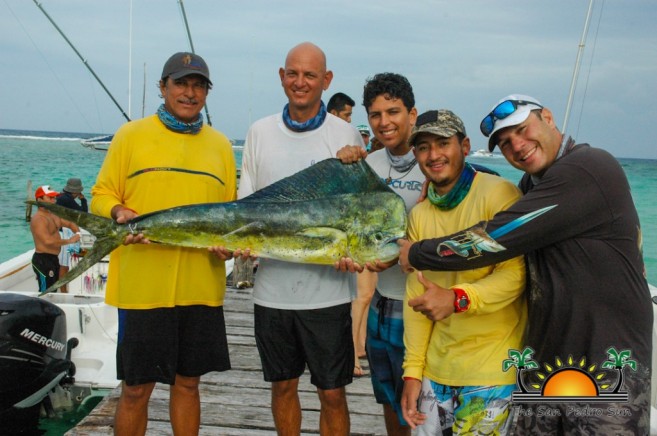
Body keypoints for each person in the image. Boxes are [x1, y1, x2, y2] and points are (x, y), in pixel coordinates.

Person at [398, 95, 652, 434]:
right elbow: (507, 209)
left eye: (521, 129)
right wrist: (451, 182)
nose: (516, 146)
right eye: (504, 143)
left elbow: (498, 236)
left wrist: (416, 254)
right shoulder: (531, 185)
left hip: (606, 362)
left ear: (547, 117)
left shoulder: (590, 166)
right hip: (546, 360)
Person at [90, 52, 237, 436]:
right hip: (143, 287)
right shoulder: (130, 135)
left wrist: (230, 245)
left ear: (206, 92)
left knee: (189, 383)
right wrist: (118, 210)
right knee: (136, 389)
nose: (190, 93)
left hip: (200, 287)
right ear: (163, 86)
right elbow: (101, 194)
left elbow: (229, 218)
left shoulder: (221, 146)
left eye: (198, 85)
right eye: (181, 83)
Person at [238, 42, 363, 435]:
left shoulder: (346, 134)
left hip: (328, 295)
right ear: (281, 76)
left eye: (310, 75)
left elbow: (360, 213)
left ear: (326, 80)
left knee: (332, 394)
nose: (300, 82)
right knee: (282, 386)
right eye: (293, 73)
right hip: (271, 292)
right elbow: (246, 208)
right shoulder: (259, 132)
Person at [398, 109, 526, 435]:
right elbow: (417, 297)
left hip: (491, 373)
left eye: (443, 143)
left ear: (465, 146)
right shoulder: (420, 214)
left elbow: (515, 276)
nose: (434, 155)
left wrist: (457, 299)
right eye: (423, 147)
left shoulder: (500, 194)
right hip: (436, 371)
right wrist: (412, 372)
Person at [335, 72, 422, 436]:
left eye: (394, 111)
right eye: (375, 114)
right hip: (382, 303)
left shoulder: (433, 161)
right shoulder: (368, 166)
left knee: (425, 406)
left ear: (412, 114)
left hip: (422, 307)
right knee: (390, 401)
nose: (384, 122)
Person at [30, 185, 80, 292]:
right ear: (39, 200)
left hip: (53, 259)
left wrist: (78, 233)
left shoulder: (53, 215)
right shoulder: (38, 219)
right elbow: (47, 241)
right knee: (46, 292)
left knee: (53, 291)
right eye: (50, 198)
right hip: (42, 259)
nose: (54, 200)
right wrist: (69, 240)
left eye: (54, 197)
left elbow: (69, 223)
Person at [56, 177, 87, 292]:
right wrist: (83, 200)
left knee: (66, 263)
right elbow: (84, 214)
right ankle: (64, 291)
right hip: (65, 233)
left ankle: (65, 290)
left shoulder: (62, 197)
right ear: (76, 191)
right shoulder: (67, 199)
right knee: (65, 264)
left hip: (62, 232)